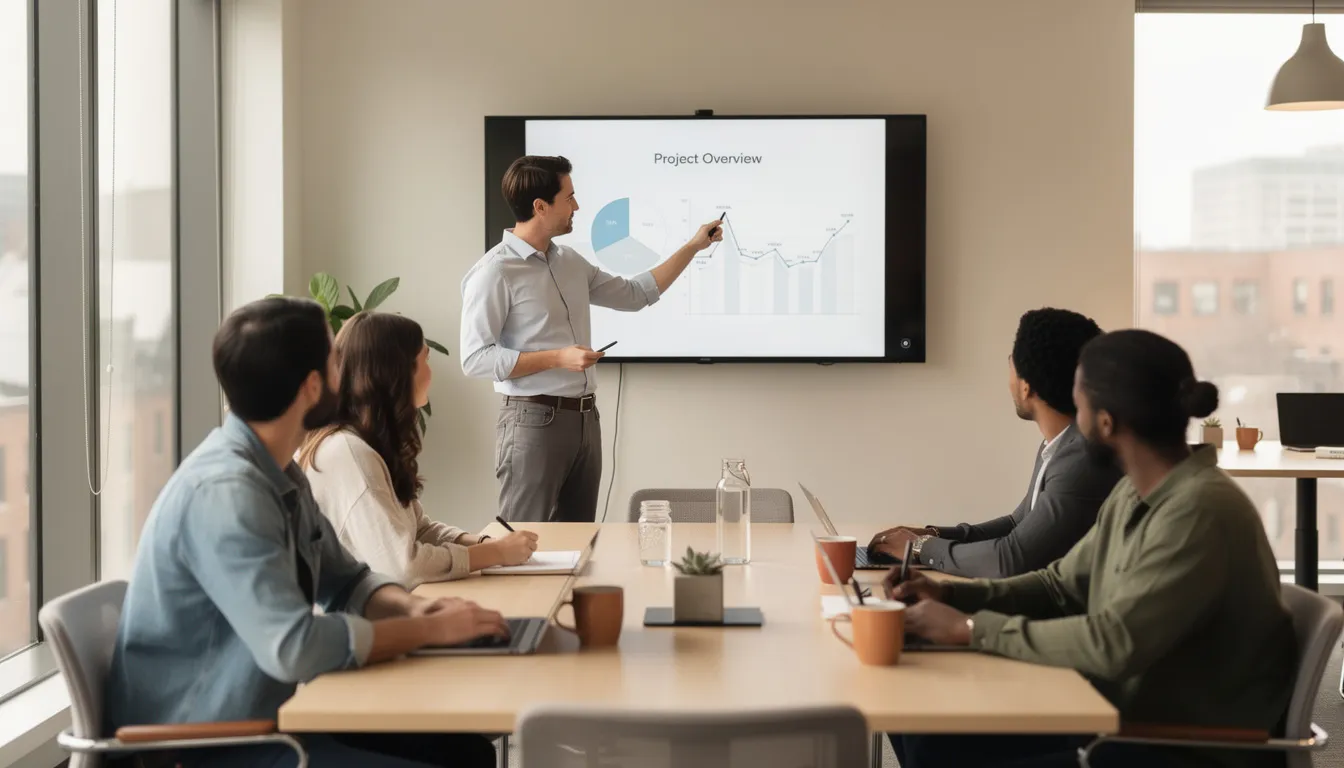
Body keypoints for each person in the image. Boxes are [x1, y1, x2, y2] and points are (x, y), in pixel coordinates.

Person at [104, 297, 506, 768]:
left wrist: (414, 607)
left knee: (467, 752)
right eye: (335, 361)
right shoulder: (226, 494)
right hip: (205, 745)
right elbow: (293, 648)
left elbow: (348, 579)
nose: (346, 372)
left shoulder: (280, 472)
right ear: (313, 387)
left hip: (270, 717)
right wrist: (426, 631)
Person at [884, 329, 1297, 768]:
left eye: (1078, 406)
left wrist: (970, 628)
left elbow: (1114, 642)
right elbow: (1059, 585)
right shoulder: (1134, 492)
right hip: (1119, 716)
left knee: (937, 748)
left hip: (1174, 747)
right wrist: (950, 594)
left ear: (1105, 423)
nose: (1073, 424)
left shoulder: (1198, 511)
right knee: (922, 729)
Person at [461, 155, 723, 522]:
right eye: (569, 198)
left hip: (585, 419)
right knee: (524, 538)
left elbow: (636, 295)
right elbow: (475, 359)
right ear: (540, 206)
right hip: (532, 421)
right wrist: (558, 357)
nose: (577, 206)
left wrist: (693, 246)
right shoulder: (495, 271)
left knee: (577, 538)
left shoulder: (570, 261)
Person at [867, 308, 1121, 577]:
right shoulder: (1060, 445)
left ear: (1026, 386)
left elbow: (1010, 559)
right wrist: (931, 535)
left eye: (1010, 363)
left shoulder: (1081, 458)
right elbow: (1016, 524)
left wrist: (921, 547)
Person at [300, 311, 539, 587]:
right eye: (425, 359)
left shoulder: (368, 443)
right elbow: (404, 566)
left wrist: (489, 544)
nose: (431, 371)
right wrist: (495, 553)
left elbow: (420, 530)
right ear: (396, 372)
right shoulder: (350, 453)